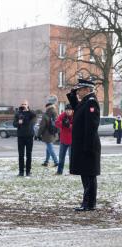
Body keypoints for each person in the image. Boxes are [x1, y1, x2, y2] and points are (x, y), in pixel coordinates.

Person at [67, 79, 101, 212]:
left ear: (87, 89)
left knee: (89, 176)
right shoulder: (85, 102)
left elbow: (91, 127)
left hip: (88, 145)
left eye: (80, 90)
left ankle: (89, 204)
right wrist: (72, 94)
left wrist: (88, 147)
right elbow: (77, 107)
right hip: (83, 145)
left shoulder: (91, 102)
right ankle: (87, 202)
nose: (78, 92)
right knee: (85, 175)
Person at [13, 100, 36, 176]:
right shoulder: (18, 113)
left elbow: (34, 115)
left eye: (25, 104)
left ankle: (28, 171)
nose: (24, 105)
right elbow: (14, 124)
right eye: (22, 104)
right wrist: (18, 123)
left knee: (29, 154)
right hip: (21, 136)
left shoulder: (30, 113)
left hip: (29, 136)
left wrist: (27, 110)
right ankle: (21, 171)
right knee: (21, 155)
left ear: (28, 105)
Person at [38, 103, 59, 167]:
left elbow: (42, 126)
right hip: (54, 133)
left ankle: (56, 161)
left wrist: (38, 134)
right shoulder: (56, 113)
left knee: (50, 148)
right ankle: (46, 161)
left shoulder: (46, 114)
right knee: (48, 148)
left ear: (47, 107)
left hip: (47, 134)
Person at [55, 104, 73, 175]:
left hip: (72, 140)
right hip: (63, 140)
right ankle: (59, 171)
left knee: (72, 157)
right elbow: (56, 123)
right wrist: (63, 124)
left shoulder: (75, 115)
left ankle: (72, 171)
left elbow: (78, 126)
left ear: (72, 110)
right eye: (66, 110)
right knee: (61, 157)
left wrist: (69, 125)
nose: (68, 111)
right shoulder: (63, 115)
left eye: (69, 110)